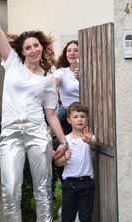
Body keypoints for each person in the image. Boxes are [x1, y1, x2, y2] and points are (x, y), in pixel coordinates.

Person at [0, 0, 68, 222]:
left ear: (42, 48)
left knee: (43, 190)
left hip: (36, 132)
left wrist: (63, 142)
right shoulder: (11, 64)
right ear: (21, 52)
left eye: (36, 46)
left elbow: (51, 114)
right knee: (10, 190)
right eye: (28, 47)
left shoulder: (47, 81)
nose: (33, 49)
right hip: (10, 133)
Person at [55, 102, 97, 222]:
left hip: (87, 183)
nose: (79, 119)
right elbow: (57, 163)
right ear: (69, 120)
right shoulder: (65, 140)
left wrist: (89, 141)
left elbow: (94, 143)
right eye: (75, 117)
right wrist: (64, 158)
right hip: (69, 183)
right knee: (68, 217)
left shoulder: (89, 137)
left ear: (87, 119)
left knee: (85, 217)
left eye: (83, 117)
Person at [52, 40, 80, 182]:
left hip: (82, 116)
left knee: (79, 151)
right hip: (65, 113)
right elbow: (53, 83)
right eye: (69, 50)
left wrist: (83, 78)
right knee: (60, 148)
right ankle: (65, 186)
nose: (72, 53)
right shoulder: (61, 72)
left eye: (76, 50)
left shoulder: (88, 71)